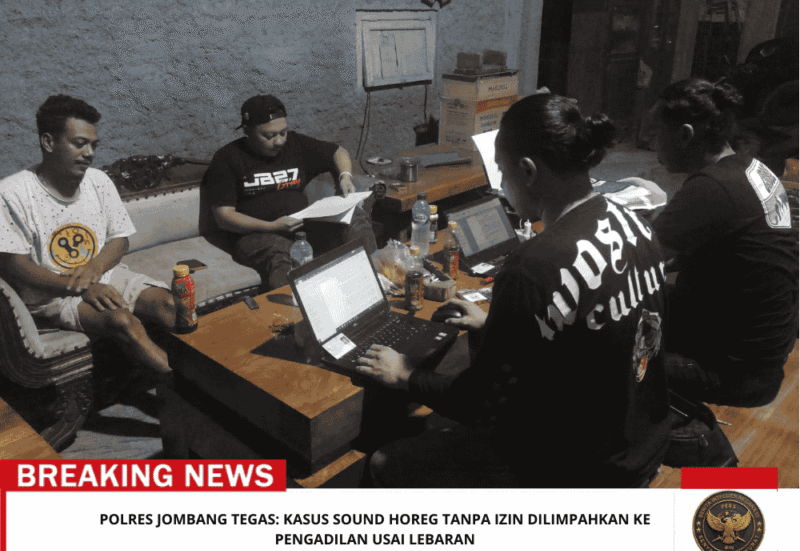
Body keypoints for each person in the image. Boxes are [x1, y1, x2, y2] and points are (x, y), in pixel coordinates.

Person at [356, 94, 672, 487]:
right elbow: (595, 328)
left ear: (527, 171)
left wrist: (405, 374)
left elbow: (478, 405)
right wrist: (500, 324)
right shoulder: (632, 222)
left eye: (502, 174)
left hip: (586, 470)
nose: (502, 187)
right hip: (643, 439)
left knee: (384, 461)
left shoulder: (532, 267)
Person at [0, 94, 176, 376]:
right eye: (79, 143)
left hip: (101, 275)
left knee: (168, 304)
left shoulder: (98, 181)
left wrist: (94, 269)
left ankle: (205, 369)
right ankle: (188, 388)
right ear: (48, 142)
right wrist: (80, 287)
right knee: (122, 321)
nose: (89, 153)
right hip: (50, 295)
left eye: (94, 145)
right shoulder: (12, 193)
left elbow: (120, 238)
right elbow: (15, 265)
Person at [650, 78, 798, 408]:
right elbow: (735, 251)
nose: (651, 143)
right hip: (764, 352)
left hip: (734, 371)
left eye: (656, 133)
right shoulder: (754, 169)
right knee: (650, 299)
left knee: (600, 356)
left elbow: (637, 256)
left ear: (685, 134)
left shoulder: (712, 188)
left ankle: (673, 436)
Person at [201, 94, 377, 290]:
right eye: (269, 136)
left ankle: (374, 283)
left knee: (355, 218)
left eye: (282, 133)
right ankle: (294, 306)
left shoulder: (295, 144)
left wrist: (345, 176)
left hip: (301, 225)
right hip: (256, 234)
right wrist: (271, 226)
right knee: (283, 255)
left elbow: (338, 152)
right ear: (247, 131)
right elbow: (224, 216)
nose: (279, 141)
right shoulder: (228, 158)